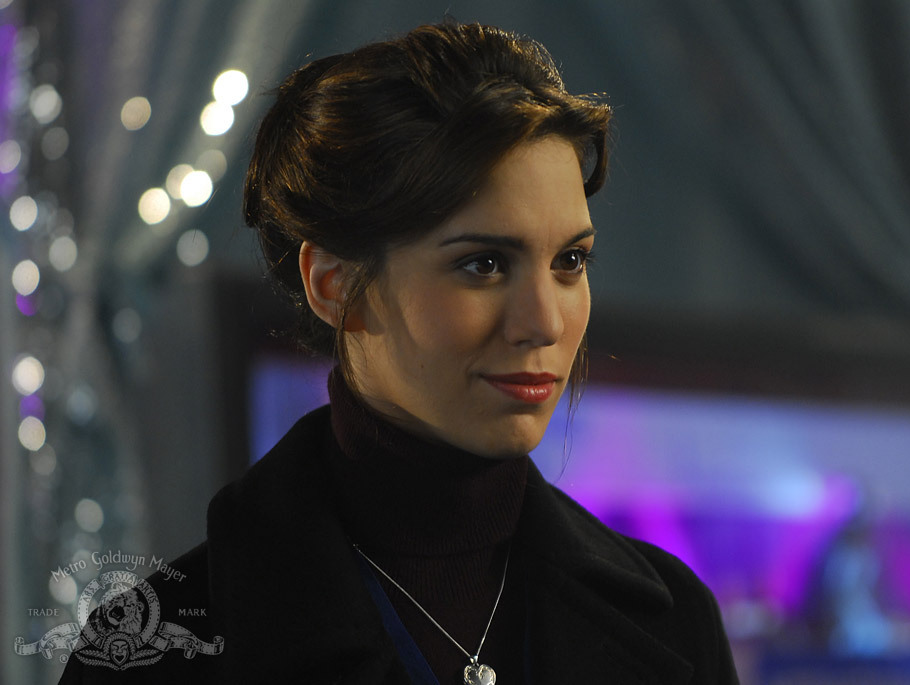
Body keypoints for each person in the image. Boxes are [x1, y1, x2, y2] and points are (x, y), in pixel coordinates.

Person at [60, 21, 738, 684]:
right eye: (483, 264)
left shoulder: (675, 621)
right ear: (333, 284)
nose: (543, 322)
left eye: (569, 261)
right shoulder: (160, 652)